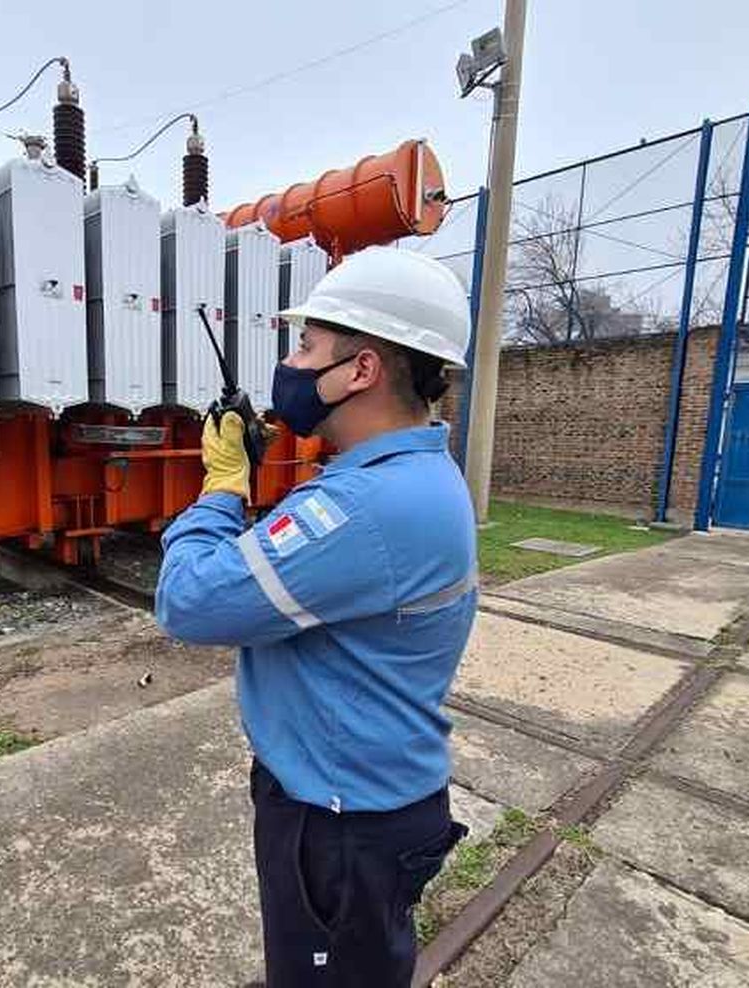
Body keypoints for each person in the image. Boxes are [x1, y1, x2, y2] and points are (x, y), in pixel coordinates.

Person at [154, 246, 478, 986]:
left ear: (361, 369)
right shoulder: (413, 476)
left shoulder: (366, 507)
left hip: (341, 827)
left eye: (307, 345)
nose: (293, 362)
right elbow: (305, 570)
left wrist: (222, 486)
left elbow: (190, 601)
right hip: (376, 801)